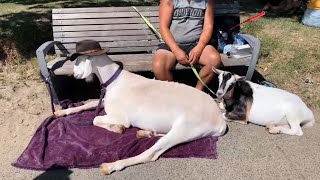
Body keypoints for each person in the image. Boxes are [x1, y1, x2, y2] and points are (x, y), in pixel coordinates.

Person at [152, 0, 221, 92]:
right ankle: (174, 94)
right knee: (159, 66)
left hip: (196, 43)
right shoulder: (169, 1)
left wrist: (199, 47)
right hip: (171, 44)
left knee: (214, 59)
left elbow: (208, 27)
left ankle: (198, 91)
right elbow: (163, 28)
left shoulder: (206, 1)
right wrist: (176, 50)